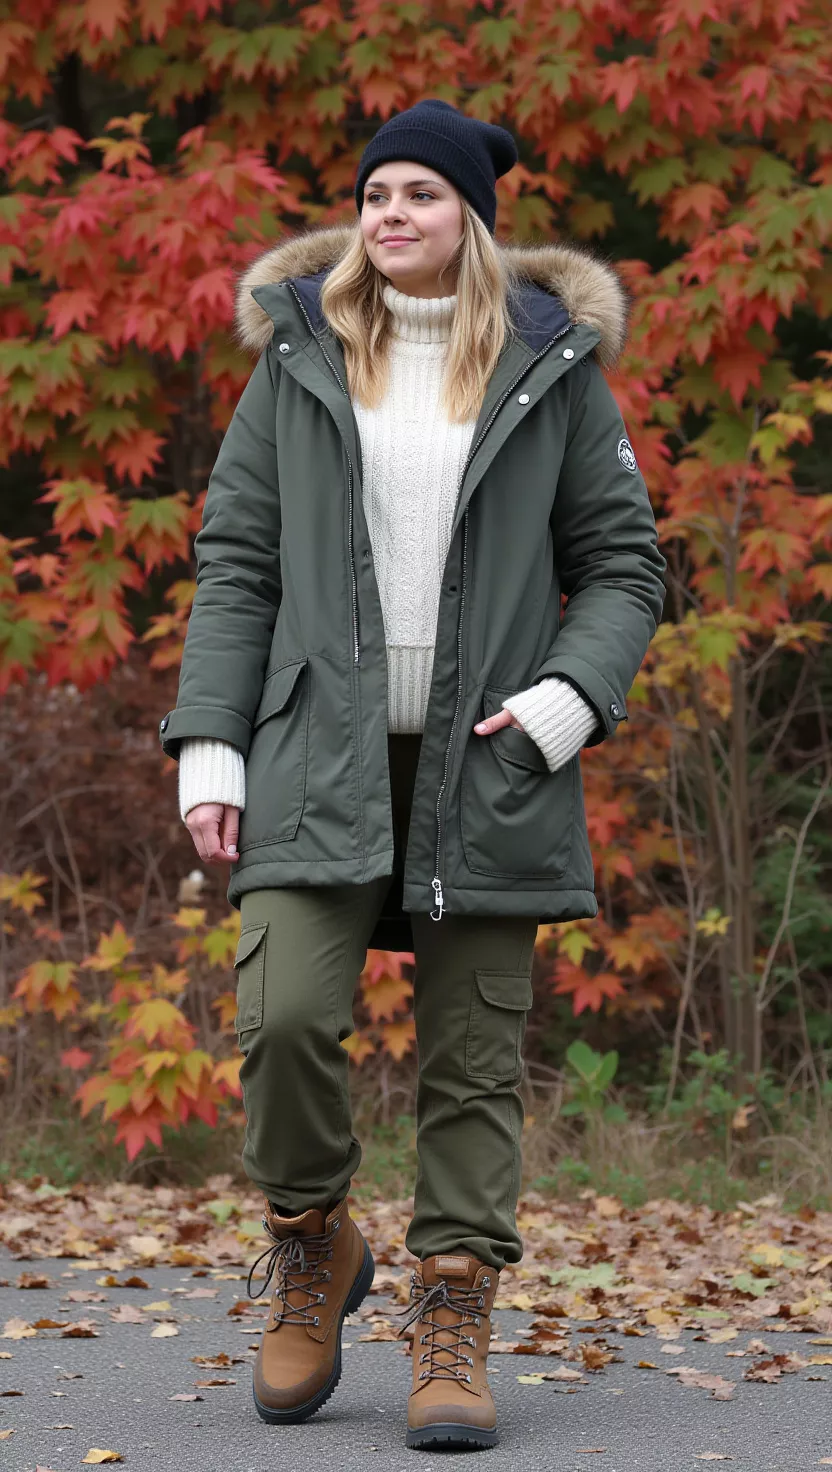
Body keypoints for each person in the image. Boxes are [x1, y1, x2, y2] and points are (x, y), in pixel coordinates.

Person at [158, 99, 666, 1451]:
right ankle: (312, 1242)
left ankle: (453, 1309)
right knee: (282, 1018)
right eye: (376, 193)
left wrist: (569, 699)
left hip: (490, 760)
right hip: (312, 753)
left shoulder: (553, 370)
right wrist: (212, 742)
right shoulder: (298, 357)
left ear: (472, 221)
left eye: (420, 194)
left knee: (473, 1058)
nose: (391, 214)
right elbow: (238, 565)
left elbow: (626, 568)